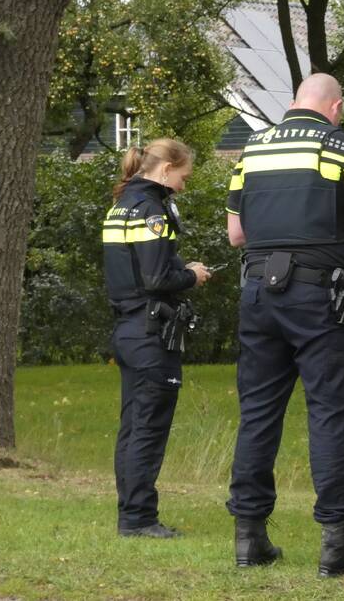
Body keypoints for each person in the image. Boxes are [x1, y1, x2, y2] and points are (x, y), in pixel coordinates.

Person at [224, 73, 344, 575]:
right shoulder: (342, 146)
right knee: (330, 414)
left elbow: (235, 234)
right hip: (318, 296)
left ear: (295, 102)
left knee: (257, 413)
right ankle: (339, 544)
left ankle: (249, 539)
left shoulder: (252, 148)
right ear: (335, 107)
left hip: (257, 292)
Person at [102, 137, 211, 538]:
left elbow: (134, 269)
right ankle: (139, 519)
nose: (185, 184)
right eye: (184, 176)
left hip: (127, 328)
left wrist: (179, 268)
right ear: (166, 170)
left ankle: (130, 514)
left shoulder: (121, 205)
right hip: (149, 334)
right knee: (147, 428)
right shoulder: (151, 210)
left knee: (132, 427)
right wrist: (192, 276)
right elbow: (155, 277)